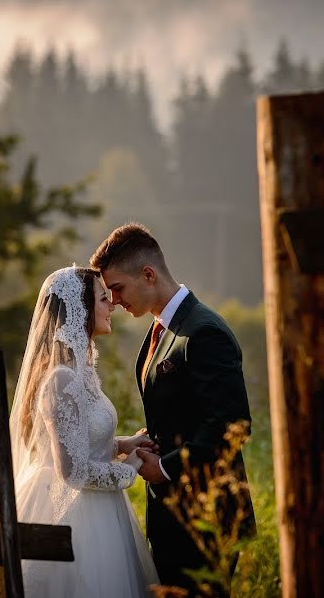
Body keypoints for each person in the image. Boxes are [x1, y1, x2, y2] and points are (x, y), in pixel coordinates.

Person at [0, 266, 160, 597]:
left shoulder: (81, 376)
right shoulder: (61, 380)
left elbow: (81, 441)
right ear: (79, 310)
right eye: (102, 299)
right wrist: (132, 466)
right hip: (66, 510)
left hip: (99, 510)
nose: (111, 305)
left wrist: (125, 443)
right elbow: (74, 471)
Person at [90, 223, 256, 597]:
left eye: (117, 288)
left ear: (148, 274)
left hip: (206, 518)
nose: (113, 301)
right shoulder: (159, 330)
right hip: (171, 517)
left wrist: (164, 467)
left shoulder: (203, 332)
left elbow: (232, 424)